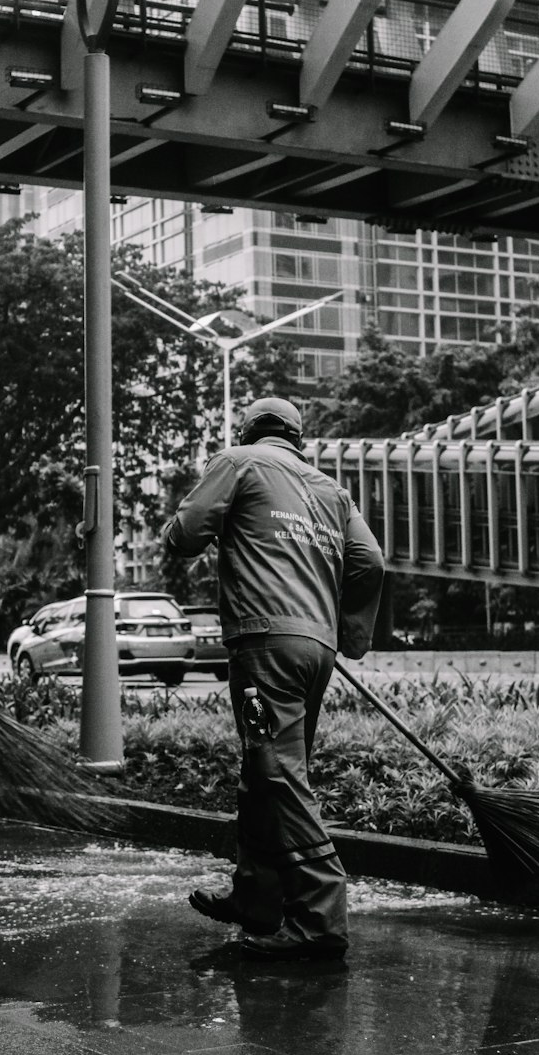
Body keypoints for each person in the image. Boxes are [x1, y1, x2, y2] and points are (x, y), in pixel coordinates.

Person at [162, 397, 383, 961]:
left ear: (250, 431)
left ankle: (321, 919)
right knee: (263, 769)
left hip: (266, 647)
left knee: (277, 771)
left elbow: (186, 533)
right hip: (315, 650)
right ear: (297, 437)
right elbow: (370, 563)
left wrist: (177, 532)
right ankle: (257, 897)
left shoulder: (239, 462)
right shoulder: (332, 491)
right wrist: (343, 632)